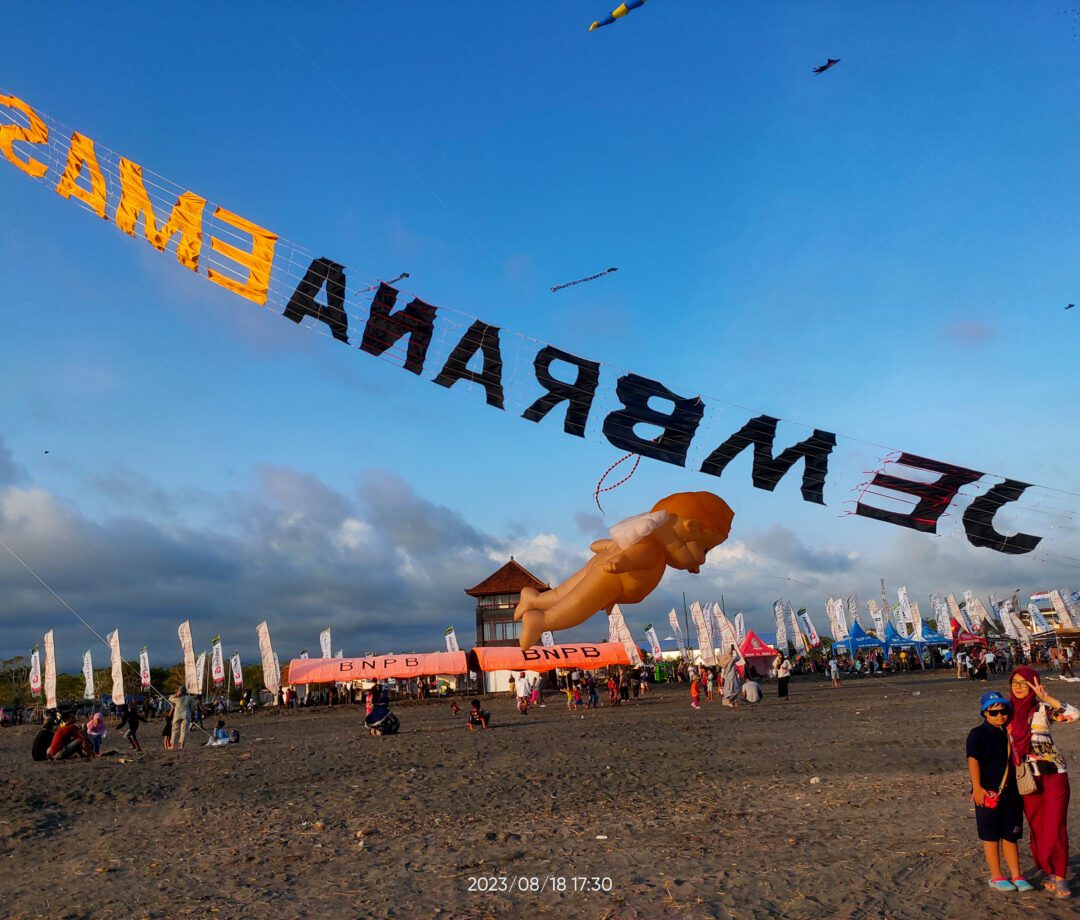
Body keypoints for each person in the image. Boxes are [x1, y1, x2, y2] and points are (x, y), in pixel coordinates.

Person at [512, 491, 734, 647]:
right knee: (577, 605)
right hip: (613, 577)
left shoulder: (644, 536)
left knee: (563, 592)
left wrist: (609, 551)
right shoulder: (652, 548)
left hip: (606, 566)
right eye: (704, 549)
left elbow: (613, 547)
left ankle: (532, 599)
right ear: (691, 527)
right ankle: (542, 621)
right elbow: (637, 556)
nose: (702, 559)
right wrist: (620, 563)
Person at [1008, 666, 1079, 898]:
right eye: (1015, 682)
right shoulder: (1006, 713)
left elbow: (1074, 714)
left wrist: (1046, 697)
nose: (1019, 687)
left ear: (1033, 684)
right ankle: (1048, 869)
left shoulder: (1043, 709)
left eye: (1024, 682)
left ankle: (1060, 877)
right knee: (1037, 826)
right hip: (1027, 777)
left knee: (1055, 824)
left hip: (1055, 773)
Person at [966, 690, 1032, 892]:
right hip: (987, 793)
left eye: (1003, 711)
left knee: (1011, 836)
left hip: (1012, 793)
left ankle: (1017, 875)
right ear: (984, 713)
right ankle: (996, 875)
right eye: (993, 712)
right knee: (990, 836)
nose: (999, 716)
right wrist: (977, 787)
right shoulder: (977, 734)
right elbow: (973, 760)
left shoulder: (1011, 733)